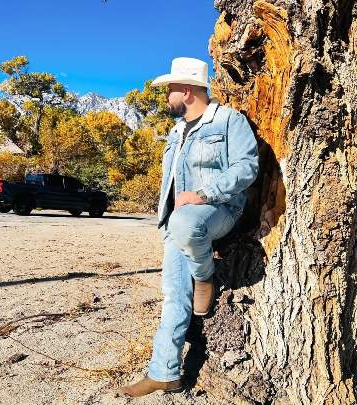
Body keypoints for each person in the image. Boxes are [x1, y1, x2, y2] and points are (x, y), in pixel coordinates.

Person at [120, 57, 259, 397]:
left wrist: (203, 193)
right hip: (179, 224)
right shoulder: (177, 130)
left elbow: (247, 167)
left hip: (219, 210)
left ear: (186, 90)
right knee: (172, 297)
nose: (166, 96)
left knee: (184, 222)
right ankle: (165, 372)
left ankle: (204, 275)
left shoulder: (227, 120)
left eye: (170, 90)